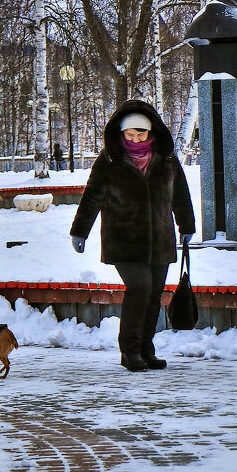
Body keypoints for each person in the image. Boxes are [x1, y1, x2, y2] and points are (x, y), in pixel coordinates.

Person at [69, 100, 196, 371]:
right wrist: (80, 231)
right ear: (120, 133)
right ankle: (129, 351)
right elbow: (92, 197)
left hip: (159, 239)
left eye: (141, 133)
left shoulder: (167, 159)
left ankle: (146, 350)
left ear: (151, 133)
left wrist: (186, 226)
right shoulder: (110, 160)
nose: (135, 139)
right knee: (140, 288)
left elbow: (181, 196)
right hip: (123, 239)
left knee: (153, 294)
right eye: (130, 134)